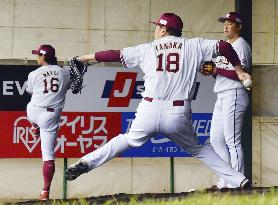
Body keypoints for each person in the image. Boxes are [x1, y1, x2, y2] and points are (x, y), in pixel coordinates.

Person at [65, 13, 252, 189]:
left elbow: (114, 54)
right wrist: (239, 70)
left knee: (126, 140)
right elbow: (225, 47)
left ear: (163, 30)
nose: (155, 30)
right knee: (199, 149)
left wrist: (85, 58)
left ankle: (86, 162)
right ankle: (239, 179)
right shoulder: (194, 45)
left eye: (157, 27)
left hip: (148, 109)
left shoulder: (146, 49)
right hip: (178, 112)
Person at [201, 12, 251, 189]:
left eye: (230, 23)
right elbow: (223, 74)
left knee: (233, 141)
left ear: (239, 26)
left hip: (235, 94)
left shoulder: (241, 45)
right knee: (216, 140)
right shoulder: (224, 47)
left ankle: (237, 183)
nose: (226, 25)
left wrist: (217, 69)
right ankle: (225, 181)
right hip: (222, 94)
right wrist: (212, 72)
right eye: (225, 22)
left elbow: (242, 75)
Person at [26, 45, 71, 200]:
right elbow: (69, 87)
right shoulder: (65, 73)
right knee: (48, 156)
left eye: (38, 55)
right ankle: (45, 192)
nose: (36, 57)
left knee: (30, 106)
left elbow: (31, 91)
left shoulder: (34, 73)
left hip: (33, 111)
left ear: (43, 57)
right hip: (50, 116)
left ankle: (34, 126)